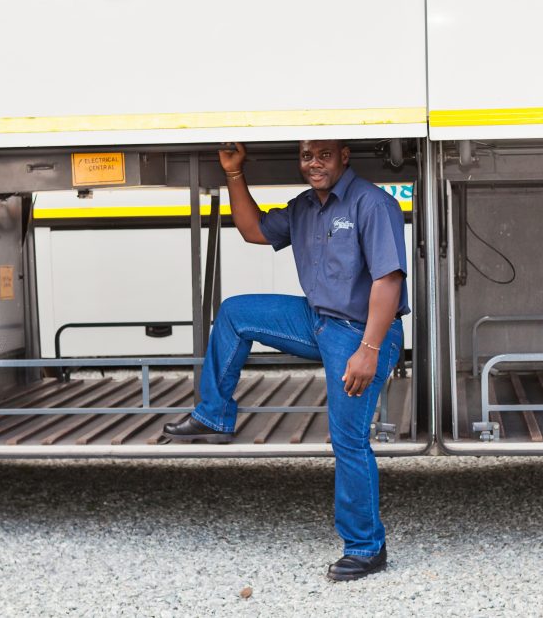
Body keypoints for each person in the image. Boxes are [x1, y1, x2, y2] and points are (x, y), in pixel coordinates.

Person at [160, 140, 409, 581]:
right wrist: (233, 172)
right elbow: (253, 229)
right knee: (235, 313)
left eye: (324, 155)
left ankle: (366, 547)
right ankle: (214, 414)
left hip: (361, 332)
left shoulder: (372, 203)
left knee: (348, 440)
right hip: (316, 319)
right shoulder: (304, 207)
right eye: (307, 156)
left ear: (344, 156)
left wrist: (368, 351)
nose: (314, 164)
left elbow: (388, 280)